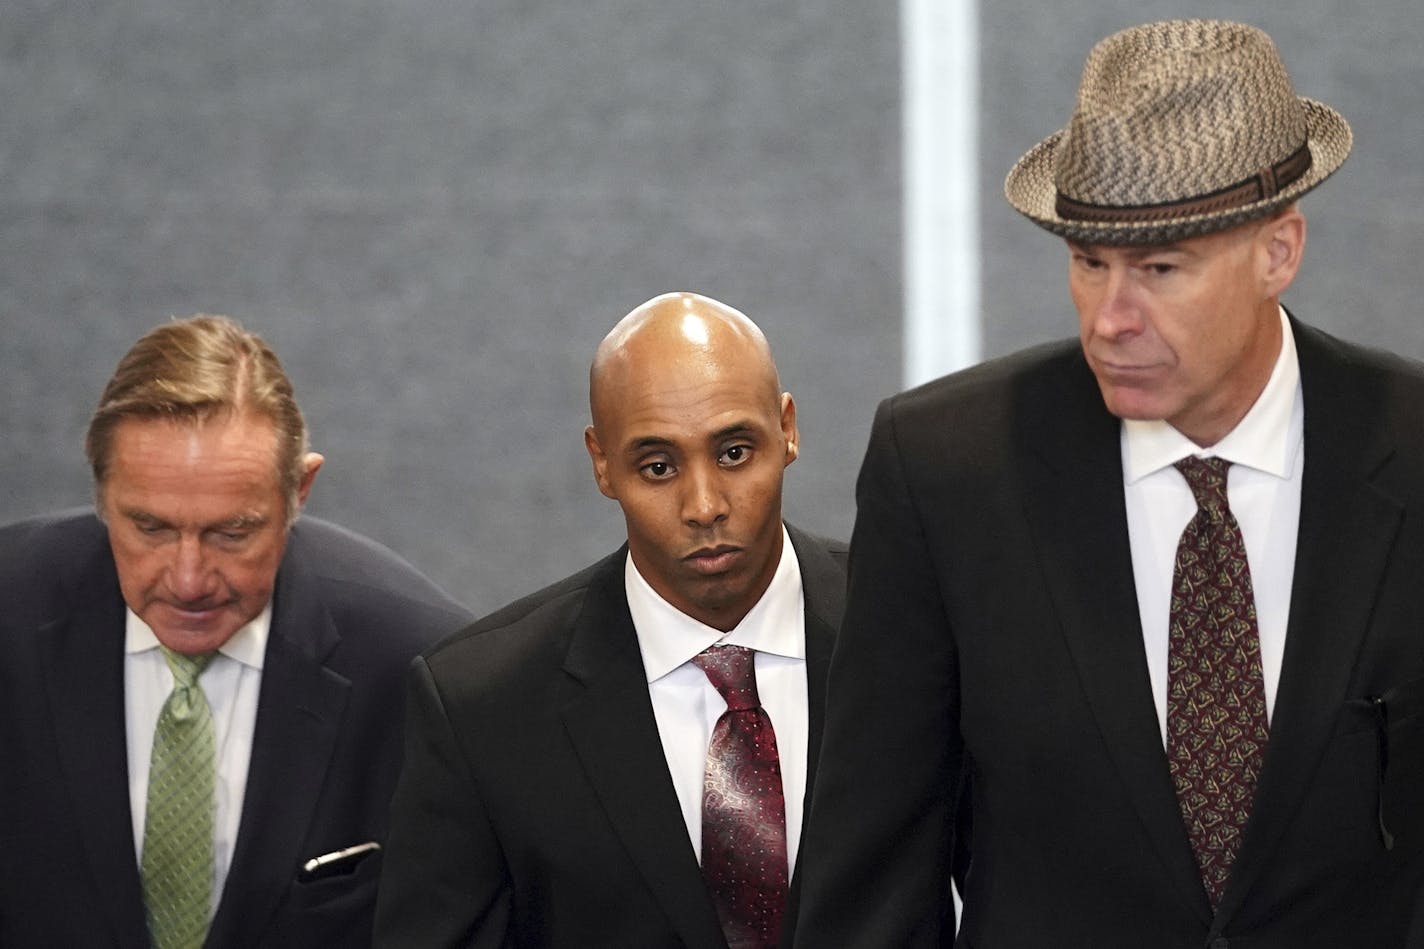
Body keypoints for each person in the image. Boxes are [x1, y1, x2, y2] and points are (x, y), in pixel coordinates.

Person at [795, 19, 1424, 948]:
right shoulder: (942, 471)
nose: (1109, 320)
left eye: (1159, 269)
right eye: (1090, 264)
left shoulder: (1411, 448)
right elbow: (874, 870)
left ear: (1278, 252)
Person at [373, 292, 847, 948]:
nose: (705, 504)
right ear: (602, 462)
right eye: (658, 466)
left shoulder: (919, 634)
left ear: (787, 427)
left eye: (734, 452)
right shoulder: (481, 709)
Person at [0, 314, 473, 948]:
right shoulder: (10, 617)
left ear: (299, 490)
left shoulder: (422, 667)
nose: (189, 579)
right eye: (151, 528)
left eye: (233, 533)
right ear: (101, 493)